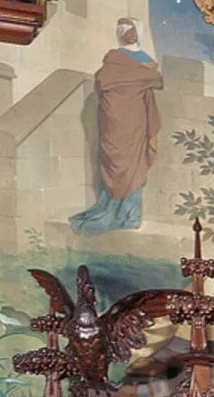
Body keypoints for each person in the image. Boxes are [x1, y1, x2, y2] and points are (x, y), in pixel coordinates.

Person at [69, 19, 163, 235]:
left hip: (119, 121)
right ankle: (129, 215)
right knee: (132, 164)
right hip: (128, 121)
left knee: (128, 164)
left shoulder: (113, 62)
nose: (130, 35)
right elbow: (156, 79)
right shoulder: (144, 64)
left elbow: (102, 83)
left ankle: (128, 214)